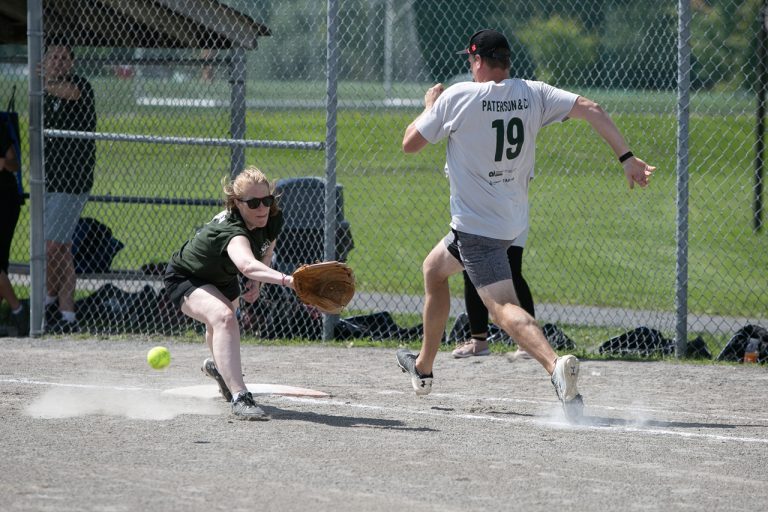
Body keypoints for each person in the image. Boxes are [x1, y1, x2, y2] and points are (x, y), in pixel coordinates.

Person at [397, 29, 655, 418]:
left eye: (471, 62)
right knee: (434, 269)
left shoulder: (457, 96)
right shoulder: (533, 92)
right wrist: (627, 158)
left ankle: (556, 368)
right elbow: (592, 108)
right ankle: (424, 368)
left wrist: (430, 106)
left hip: (477, 227)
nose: (470, 68)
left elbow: (410, 143)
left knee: (502, 308)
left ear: (478, 61)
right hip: (509, 222)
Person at [164, 166, 295, 421]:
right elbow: (246, 264)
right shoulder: (232, 231)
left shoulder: (271, 218)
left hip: (222, 277)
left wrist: (258, 282)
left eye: (266, 200)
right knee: (224, 317)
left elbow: (266, 250)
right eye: (254, 203)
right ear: (237, 203)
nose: (262, 208)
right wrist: (286, 280)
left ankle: (221, 369)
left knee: (221, 327)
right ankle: (240, 397)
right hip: (187, 276)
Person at [42, 42, 97, 333]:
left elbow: (70, 94)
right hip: (47, 180)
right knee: (61, 248)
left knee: (52, 246)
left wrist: (40, 80)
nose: (59, 62)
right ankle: (66, 314)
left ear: (72, 63)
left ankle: (48, 300)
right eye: (53, 57)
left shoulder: (80, 86)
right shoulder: (42, 91)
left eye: (64, 57)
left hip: (72, 182)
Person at [452, 232, 533, 359]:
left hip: (508, 219)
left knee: (512, 269)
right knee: (471, 270)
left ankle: (528, 342)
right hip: (476, 220)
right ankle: (478, 342)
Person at [0, 115, 29, 337]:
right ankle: (17, 312)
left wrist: (3, 163)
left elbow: (14, 163)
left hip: (4, 201)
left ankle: (19, 312)